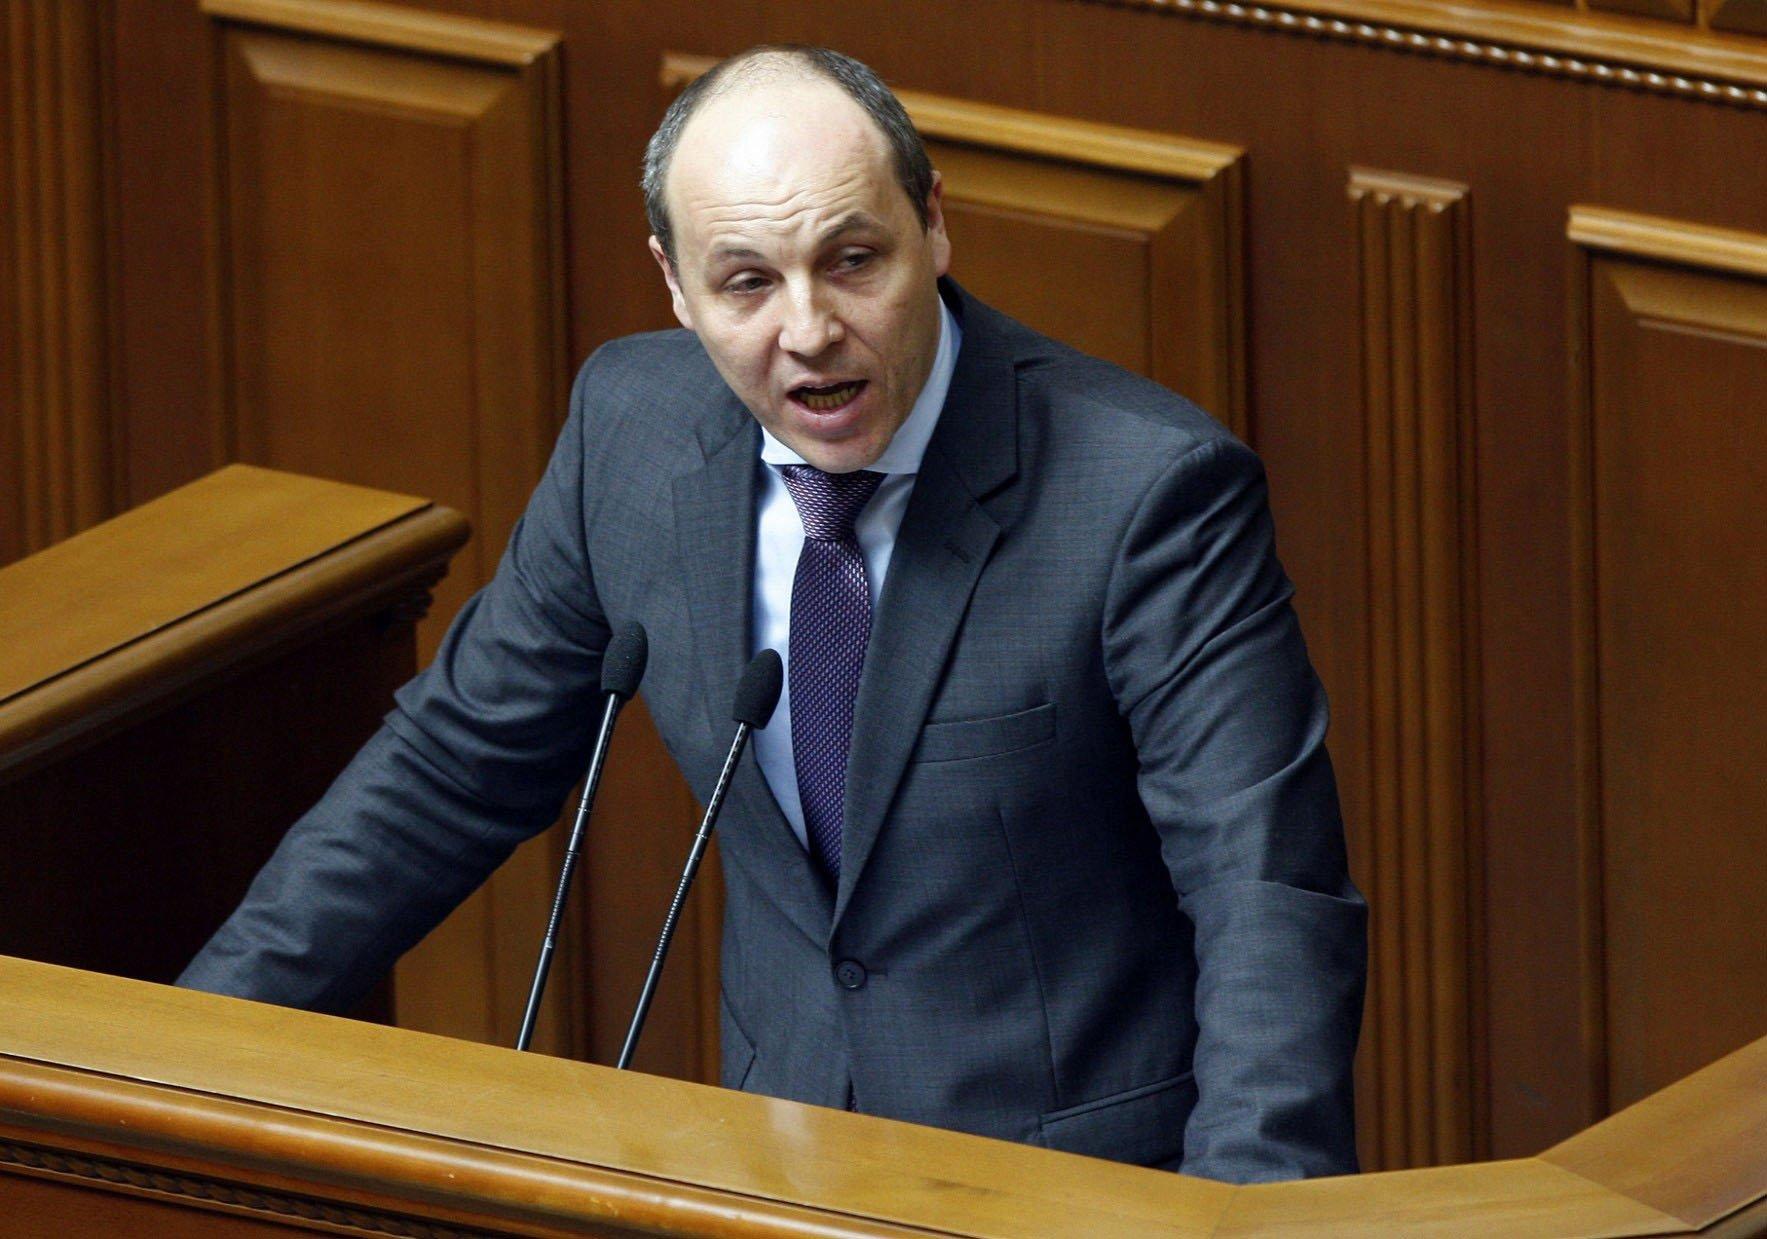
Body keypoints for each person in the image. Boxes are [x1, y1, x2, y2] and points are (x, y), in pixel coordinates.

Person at [181, 45, 1366, 1184]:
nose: (807, 331)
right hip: (772, 1163)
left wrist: (1245, 1214)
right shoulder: (631, 434)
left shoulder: (1144, 493)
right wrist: (189, 1052)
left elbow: (1264, 891)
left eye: (852, 260)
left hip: (1071, 1186)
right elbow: (450, 769)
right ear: (675, 284)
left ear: (932, 225)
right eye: (747, 281)